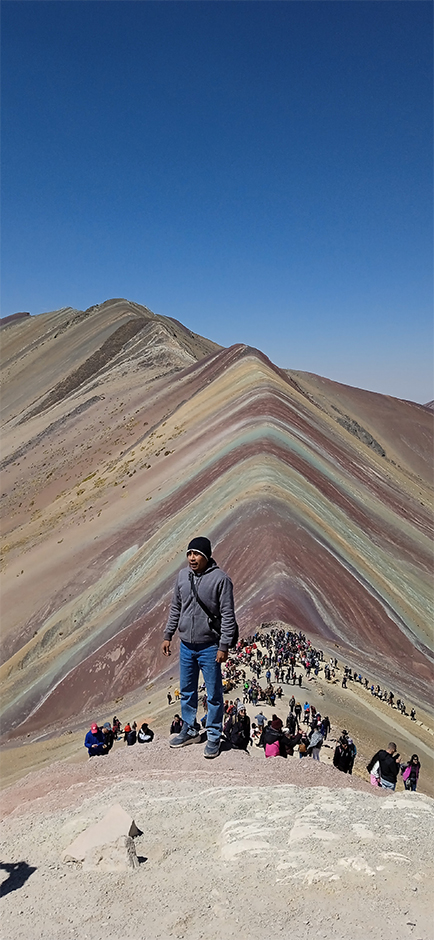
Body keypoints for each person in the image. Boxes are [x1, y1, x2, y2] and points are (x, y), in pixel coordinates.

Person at [162, 536, 237, 759]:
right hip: (186, 645)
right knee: (187, 690)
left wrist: (223, 645)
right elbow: (176, 607)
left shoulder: (221, 580)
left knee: (213, 693)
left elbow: (228, 615)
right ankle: (190, 729)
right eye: (189, 554)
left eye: (196, 554)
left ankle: (213, 735)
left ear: (206, 556)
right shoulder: (182, 576)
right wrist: (168, 634)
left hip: (210, 647)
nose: (192, 558)